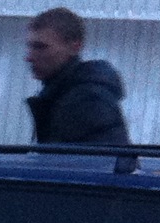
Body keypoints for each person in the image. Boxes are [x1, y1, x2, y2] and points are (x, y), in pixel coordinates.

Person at [25, 8, 130, 144]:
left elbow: (95, 163)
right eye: (30, 46)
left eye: (41, 47)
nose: (29, 57)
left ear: (74, 47)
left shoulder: (87, 101)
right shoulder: (66, 94)